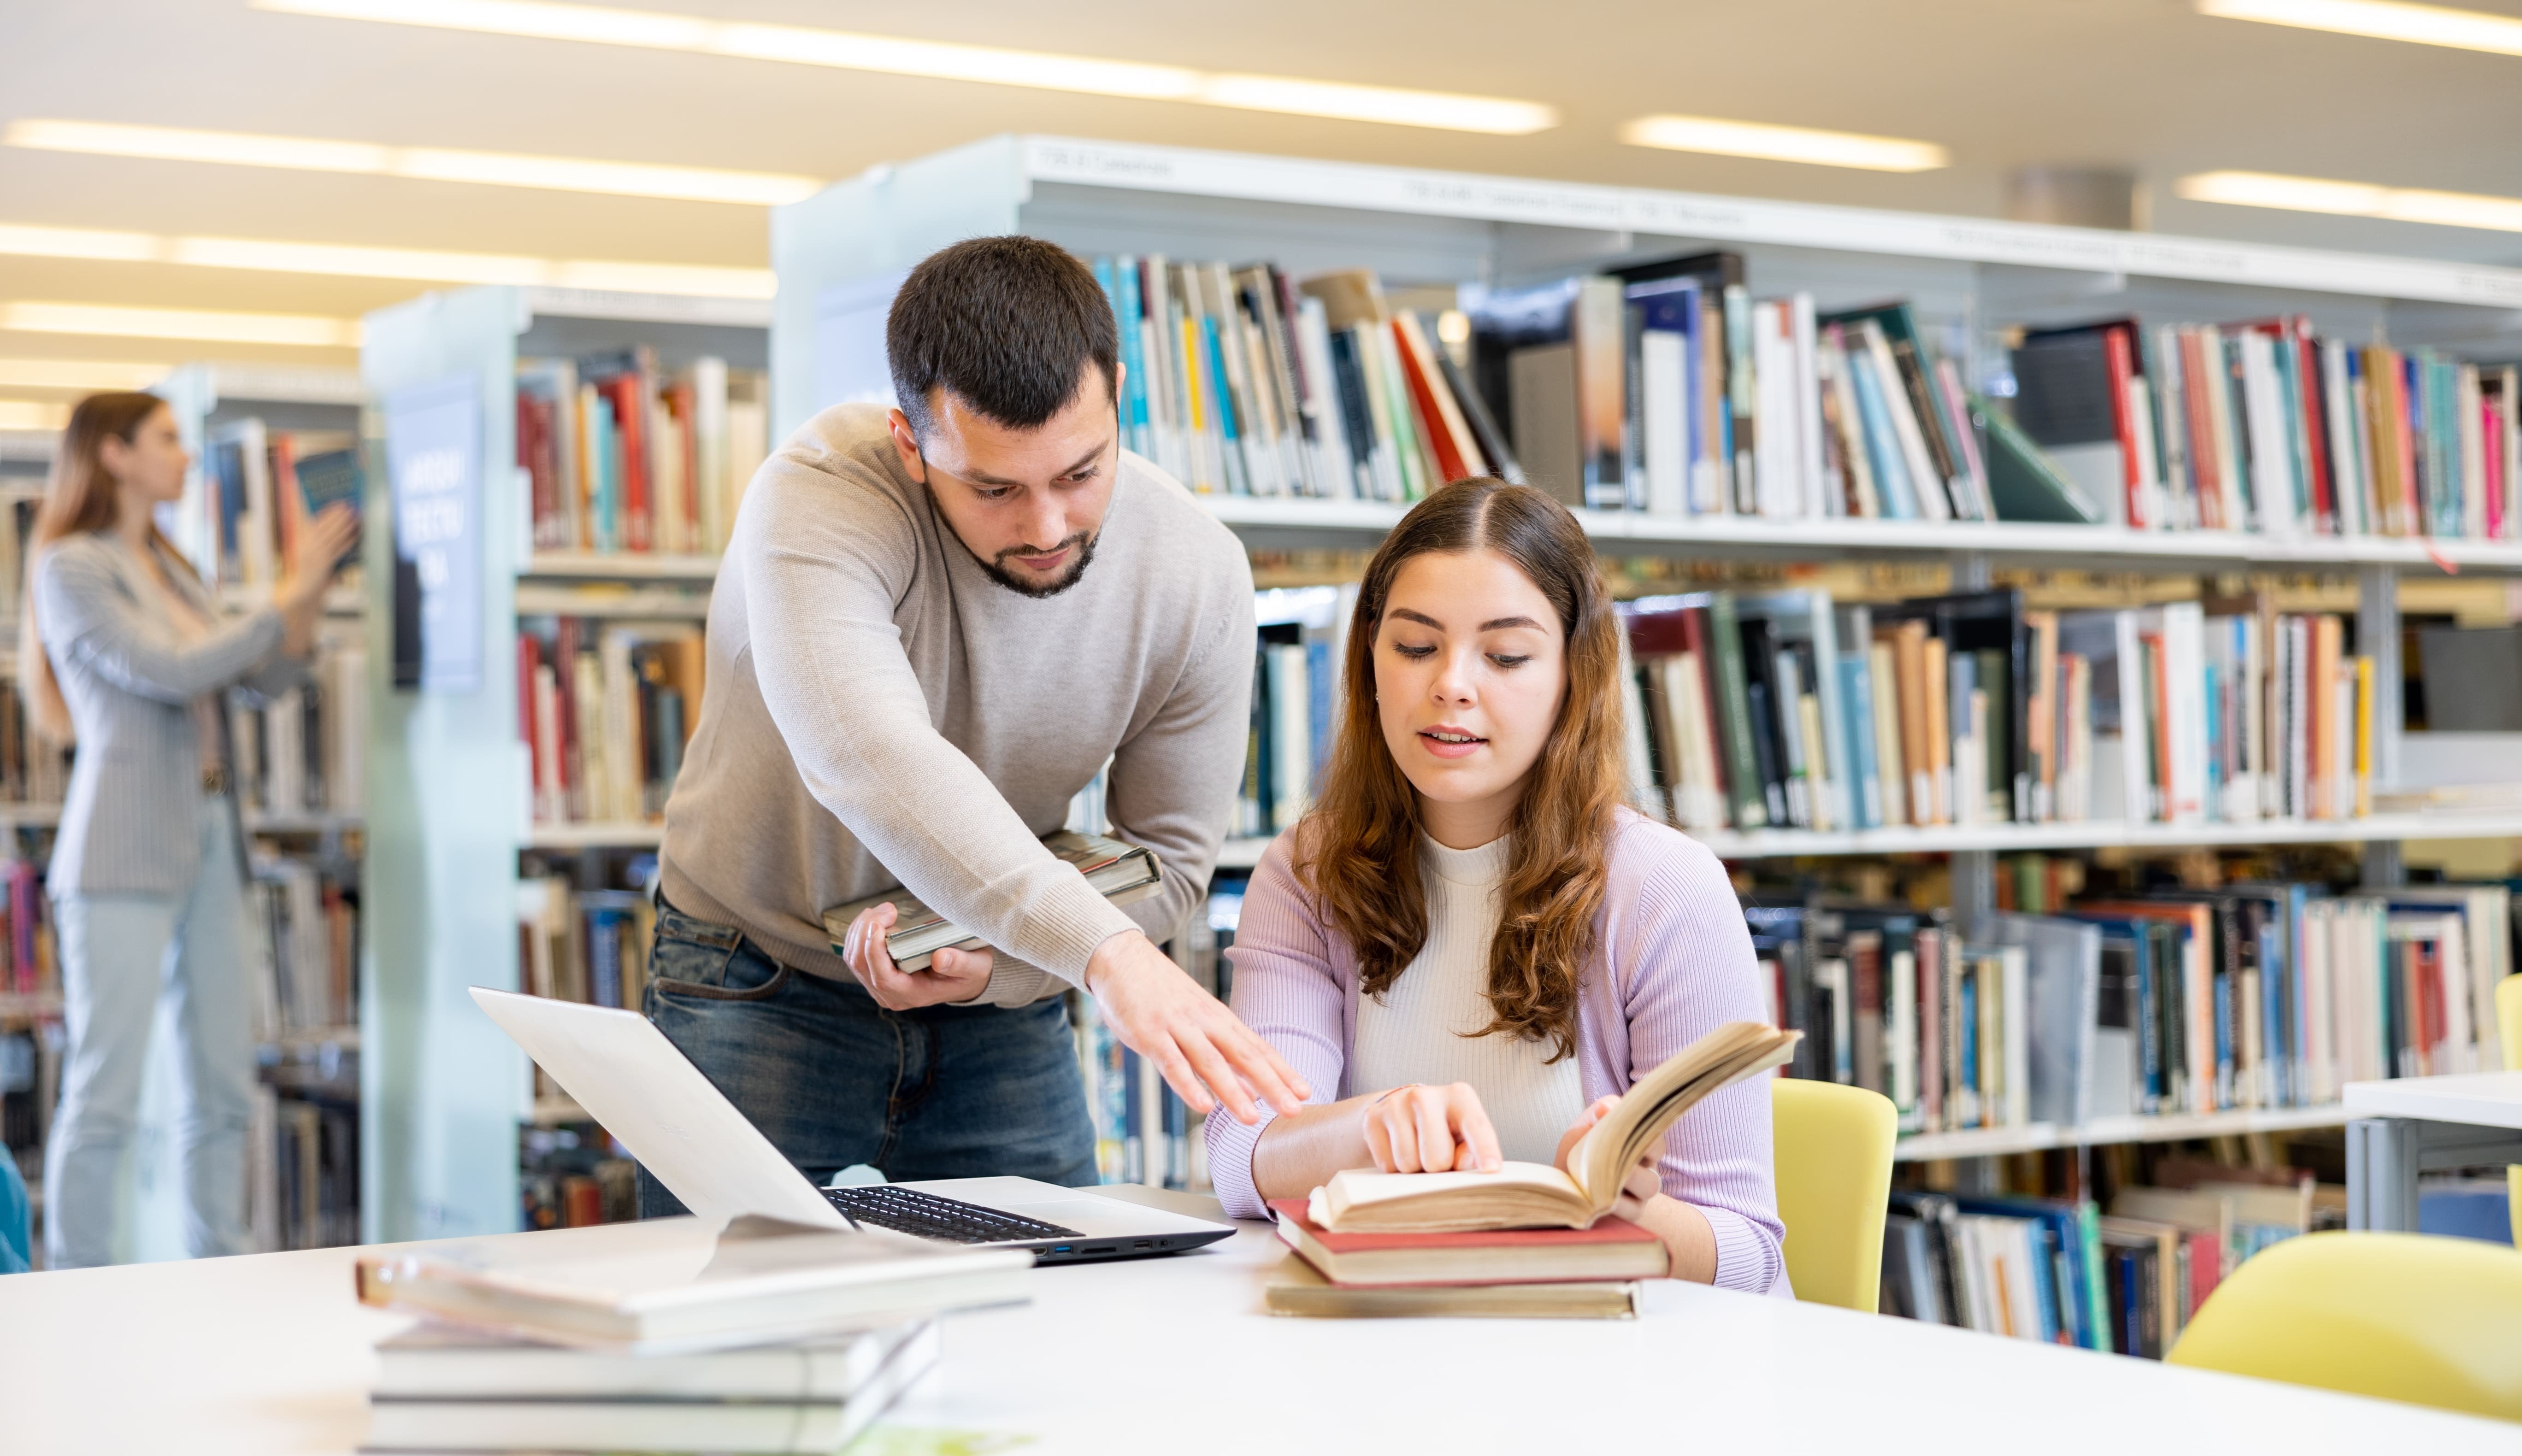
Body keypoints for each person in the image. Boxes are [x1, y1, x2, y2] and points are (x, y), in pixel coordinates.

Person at [645, 236, 1305, 1211]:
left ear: (1118, 395)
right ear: (911, 444)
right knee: (739, 1342)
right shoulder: (817, 496)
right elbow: (869, 756)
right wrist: (1110, 958)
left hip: (1013, 998)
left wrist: (1000, 967)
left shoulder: (1197, 571)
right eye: (994, 488)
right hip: (757, 980)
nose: (1046, 526)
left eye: (1081, 472)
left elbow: (1167, 866)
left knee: (1057, 1314)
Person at [1207, 478, 1788, 1294]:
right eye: (1415, 648)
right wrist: (1368, 1130)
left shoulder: (1665, 890)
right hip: (1403, 1348)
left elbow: (1751, 1259)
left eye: (1507, 656)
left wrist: (1625, 1212)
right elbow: (1240, 1156)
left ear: (1571, 678)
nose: (1452, 684)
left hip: (1624, 1369)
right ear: (1369, 659)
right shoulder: (1307, 873)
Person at [27, 391, 355, 1268]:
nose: (183, 455)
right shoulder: (71, 568)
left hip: (216, 834)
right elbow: (168, 671)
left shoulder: (176, 570)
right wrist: (277, 600)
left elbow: (263, 683)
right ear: (113, 454)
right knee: (107, 1092)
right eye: (167, 439)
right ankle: (75, 1278)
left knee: (222, 1086)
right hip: (122, 850)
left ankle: (221, 1267)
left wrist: (308, 604)